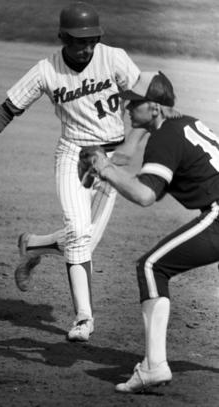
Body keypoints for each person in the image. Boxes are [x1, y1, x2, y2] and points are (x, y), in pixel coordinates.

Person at [0, 2, 145, 342]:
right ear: (62, 37)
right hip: (73, 154)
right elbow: (7, 109)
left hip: (111, 160)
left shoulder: (114, 58)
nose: (87, 47)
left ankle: (33, 246)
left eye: (92, 40)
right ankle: (84, 318)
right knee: (78, 232)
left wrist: (135, 144)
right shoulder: (46, 70)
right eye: (79, 41)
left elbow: (145, 100)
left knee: (85, 239)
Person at [82, 71, 219, 392]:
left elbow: (144, 196)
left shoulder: (164, 137)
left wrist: (105, 168)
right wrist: (112, 173)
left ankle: (153, 366)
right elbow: (153, 190)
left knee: (151, 266)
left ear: (155, 107)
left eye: (134, 103)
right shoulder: (187, 124)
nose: (127, 109)